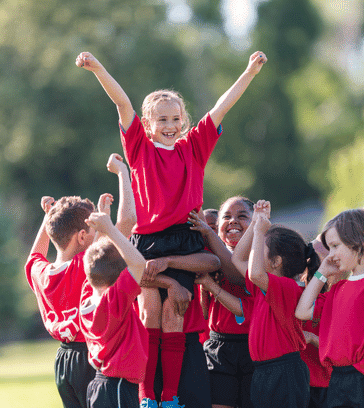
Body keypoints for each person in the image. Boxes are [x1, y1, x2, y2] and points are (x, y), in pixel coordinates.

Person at [76, 50, 267, 407]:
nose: (169, 124)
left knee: (172, 316)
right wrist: (98, 67)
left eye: (175, 118)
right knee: (148, 311)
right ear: (147, 125)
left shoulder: (194, 147)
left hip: (182, 237)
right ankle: (147, 394)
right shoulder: (139, 149)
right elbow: (121, 102)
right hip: (146, 241)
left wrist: (249, 73)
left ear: (183, 121)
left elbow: (222, 107)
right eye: (161, 119)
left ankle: (169, 395)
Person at [25, 154, 135, 408]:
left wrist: (48, 217)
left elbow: (34, 255)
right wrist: (122, 176)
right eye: (95, 229)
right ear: (82, 236)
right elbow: (126, 225)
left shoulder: (40, 272)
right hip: (90, 354)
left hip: (63, 360)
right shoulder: (85, 265)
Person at [295, 207, 364, 408]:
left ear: (359, 243)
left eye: (335, 246)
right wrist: (322, 272)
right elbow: (302, 312)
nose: (331, 254)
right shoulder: (339, 290)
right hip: (339, 379)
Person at [230, 200, 320, 408]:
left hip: (284, 371)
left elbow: (254, 271)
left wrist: (261, 232)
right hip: (265, 371)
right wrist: (255, 224)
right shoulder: (263, 287)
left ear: (276, 261)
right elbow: (237, 259)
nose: (254, 252)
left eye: (260, 248)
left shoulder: (288, 288)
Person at [188, 196, 255, 408]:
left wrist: (212, 286)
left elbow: (245, 309)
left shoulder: (260, 257)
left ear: (255, 223)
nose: (233, 221)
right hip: (219, 346)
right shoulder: (209, 256)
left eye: (242, 216)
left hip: (252, 347)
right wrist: (204, 286)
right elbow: (205, 313)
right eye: (227, 216)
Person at [80, 211, 148, 408]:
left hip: (100, 385)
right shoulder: (113, 301)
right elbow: (139, 263)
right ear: (120, 278)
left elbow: (95, 264)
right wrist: (109, 228)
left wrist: (103, 229)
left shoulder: (85, 301)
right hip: (117, 386)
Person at [298, 239, 346, 408]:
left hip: (329, 383)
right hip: (299, 383)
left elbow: (343, 346)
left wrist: (311, 338)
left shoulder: (340, 296)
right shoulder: (297, 293)